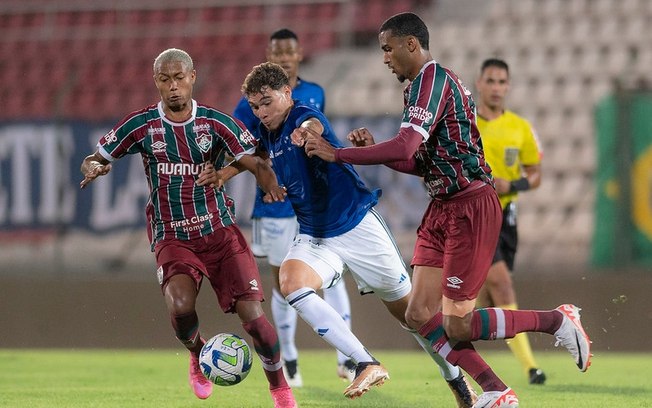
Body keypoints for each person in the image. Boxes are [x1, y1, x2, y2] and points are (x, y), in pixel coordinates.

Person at [304, 12, 592, 407]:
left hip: (471, 205)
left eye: (388, 49)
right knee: (419, 313)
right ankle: (495, 390)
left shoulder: (434, 80)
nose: (385, 59)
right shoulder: (417, 90)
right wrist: (371, 149)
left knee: (458, 324)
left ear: (411, 44)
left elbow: (405, 146)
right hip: (441, 207)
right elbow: (416, 160)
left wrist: (339, 154)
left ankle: (556, 320)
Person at [210, 61, 478, 406]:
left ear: (287, 93)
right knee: (291, 283)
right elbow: (255, 157)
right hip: (315, 235)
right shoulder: (267, 133)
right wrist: (227, 175)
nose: (261, 111)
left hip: (357, 227)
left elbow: (313, 123)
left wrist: (308, 133)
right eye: (255, 105)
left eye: (267, 101)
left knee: (415, 317)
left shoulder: (301, 115)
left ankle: (458, 383)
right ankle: (366, 361)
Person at [78, 48, 297, 408]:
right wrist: (93, 167)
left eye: (180, 78)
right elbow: (95, 157)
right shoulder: (142, 125)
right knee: (179, 306)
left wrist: (258, 180)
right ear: (157, 83)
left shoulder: (215, 123)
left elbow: (256, 160)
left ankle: (280, 390)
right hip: (172, 234)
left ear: (193, 77)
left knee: (254, 319)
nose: (173, 86)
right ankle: (198, 354)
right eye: (165, 80)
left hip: (219, 231)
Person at [233, 28, 354, 387]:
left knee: (333, 277)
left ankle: (347, 358)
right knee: (283, 284)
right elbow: (244, 150)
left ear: (300, 54)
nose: (284, 57)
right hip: (273, 206)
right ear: (269, 55)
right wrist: (229, 171)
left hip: (314, 204)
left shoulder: (315, 93)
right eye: (277, 51)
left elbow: (318, 139)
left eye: (289, 52)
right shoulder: (250, 101)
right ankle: (289, 358)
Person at [475, 58, 546, 385]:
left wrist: (512, 185)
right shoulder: (469, 126)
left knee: (484, 303)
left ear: (508, 86)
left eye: (502, 82)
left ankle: (446, 343)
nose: (496, 88)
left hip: (508, 217)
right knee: (503, 285)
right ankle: (532, 368)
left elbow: (535, 175)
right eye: (491, 81)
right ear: (480, 84)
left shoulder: (520, 127)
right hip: (477, 216)